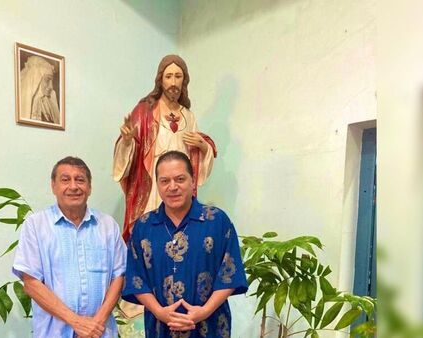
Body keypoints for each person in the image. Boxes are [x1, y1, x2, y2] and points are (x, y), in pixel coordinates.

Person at [122, 151, 247, 338]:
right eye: (165, 181)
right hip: (160, 328)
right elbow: (136, 279)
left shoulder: (216, 221)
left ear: (192, 180)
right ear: (157, 184)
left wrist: (203, 312)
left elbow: (230, 274)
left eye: (180, 179)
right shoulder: (144, 226)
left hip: (210, 326)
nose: (173, 187)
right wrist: (159, 312)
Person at [12, 157, 127, 338]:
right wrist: (77, 322)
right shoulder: (36, 225)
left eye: (80, 180)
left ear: (89, 187)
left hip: (101, 332)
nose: (73, 186)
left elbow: (119, 276)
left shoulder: (107, 225)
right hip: (54, 333)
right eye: (65, 180)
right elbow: (31, 283)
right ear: (53, 186)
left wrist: (95, 324)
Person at [113, 55, 217, 243]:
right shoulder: (145, 111)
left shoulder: (188, 116)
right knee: (150, 238)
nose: (173, 82)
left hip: (178, 183)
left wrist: (203, 145)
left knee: (181, 236)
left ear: (184, 81)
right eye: (169, 76)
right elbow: (129, 155)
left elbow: (197, 157)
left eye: (178, 76)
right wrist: (128, 141)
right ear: (160, 80)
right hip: (152, 182)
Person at [19, 55, 60, 124]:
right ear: (36, 80)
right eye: (47, 80)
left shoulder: (47, 107)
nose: (51, 87)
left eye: (51, 81)